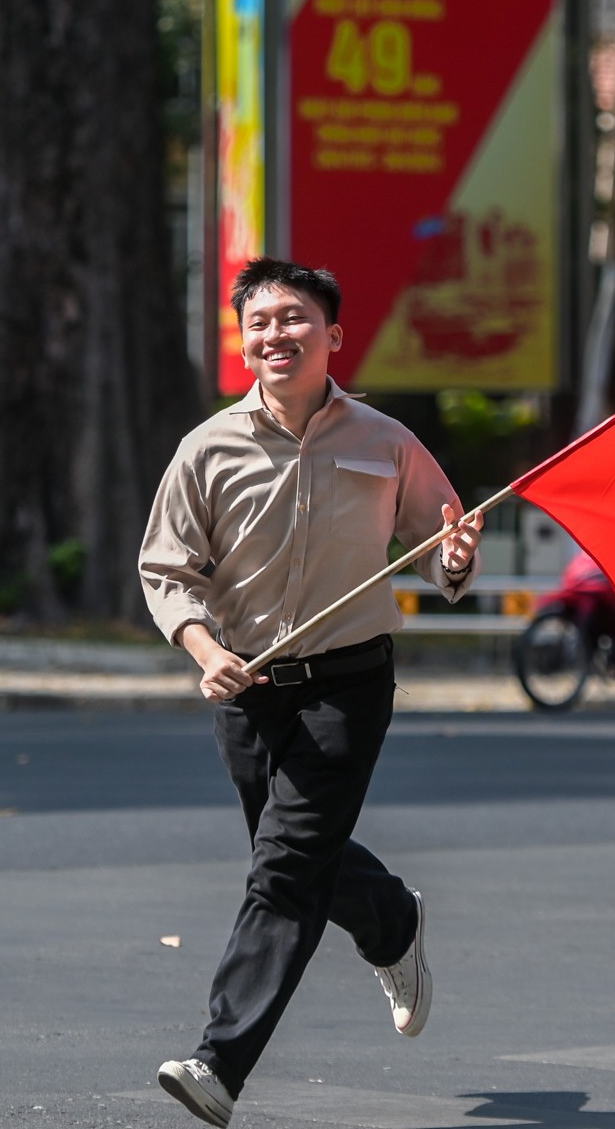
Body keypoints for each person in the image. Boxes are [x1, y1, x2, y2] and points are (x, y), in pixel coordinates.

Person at [137, 257, 484, 1128]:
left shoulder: (385, 440)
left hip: (348, 682)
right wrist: (202, 647)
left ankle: (219, 1061)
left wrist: (455, 558)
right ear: (242, 340)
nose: (274, 335)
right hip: (244, 685)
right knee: (293, 853)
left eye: (294, 319)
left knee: (285, 865)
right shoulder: (205, 449)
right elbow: (165, 569)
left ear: (333, 335)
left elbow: (444, 535)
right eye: (258, 322)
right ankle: (392, 921)